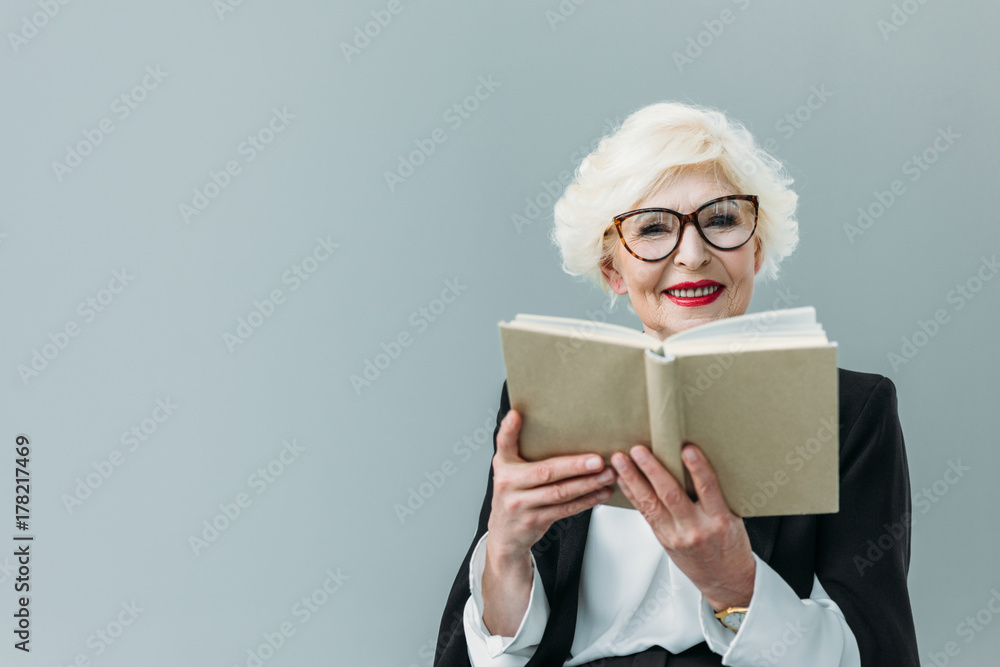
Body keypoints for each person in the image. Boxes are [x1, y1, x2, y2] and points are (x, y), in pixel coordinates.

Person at [433, 102, 919, 666]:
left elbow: (882, 653)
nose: (692, 255)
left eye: (721, 220)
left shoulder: (851, 411)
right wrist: (505, 555)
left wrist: (737, 585)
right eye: (654, 228)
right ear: (615, 270)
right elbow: (483, 653)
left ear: (756, 249)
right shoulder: (548, 394)